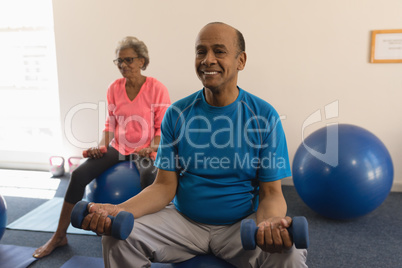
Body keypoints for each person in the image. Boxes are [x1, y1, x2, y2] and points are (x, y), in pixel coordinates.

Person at [81, 22, 307, 267]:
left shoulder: (264, 116)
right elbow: (163, 187)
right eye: (201, 51)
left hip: (239, 227)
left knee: (289, 251)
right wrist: (118, 210)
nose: (208, 59)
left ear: (241, 61)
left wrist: (268, 226)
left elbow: (272, 193)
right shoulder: (177, 113)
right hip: (184, 222)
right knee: (117, 238)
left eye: (219, 51)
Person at [33, 36, 171, 258]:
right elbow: (111, 124)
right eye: (119, 61)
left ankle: (153, 238)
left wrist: (151, 148)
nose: (123, 65)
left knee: (151, 181)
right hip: (118, 148)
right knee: (78, 175)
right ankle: (59, 235)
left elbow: (161, 128)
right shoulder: (114, 88)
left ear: (142, 61)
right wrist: (101, 147)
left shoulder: (156, 88)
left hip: (146, 148)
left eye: (129, 60)